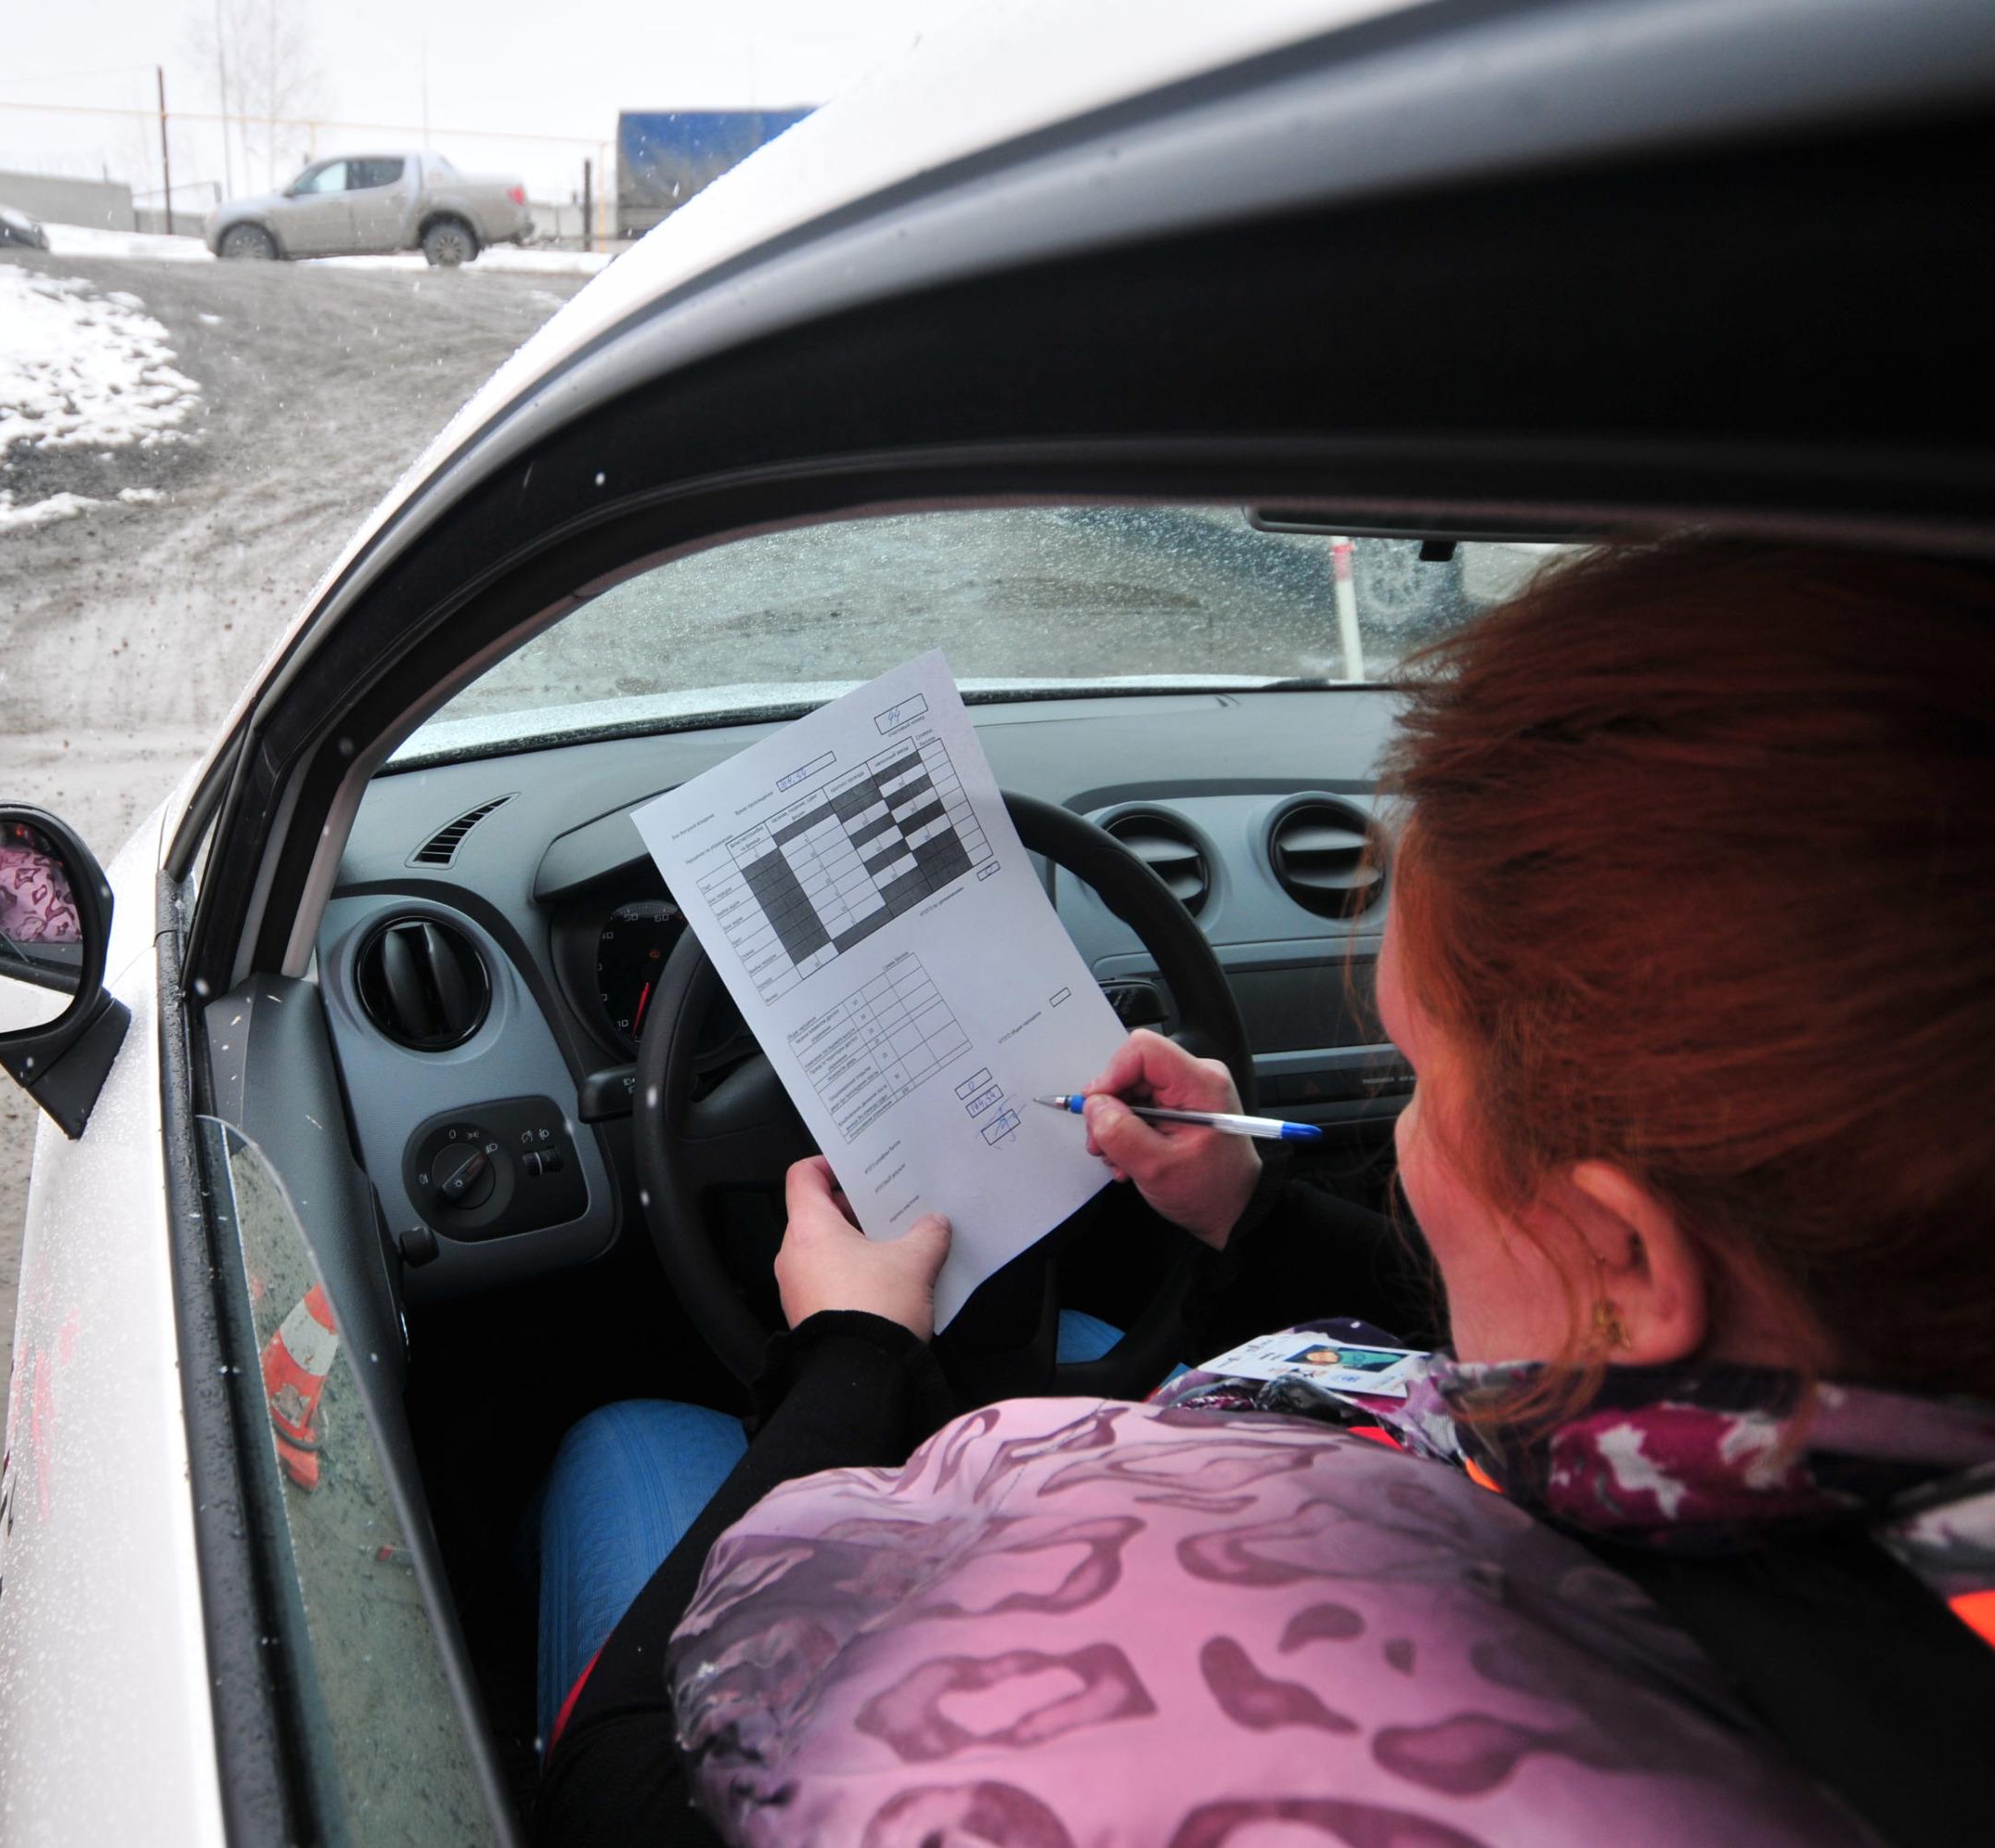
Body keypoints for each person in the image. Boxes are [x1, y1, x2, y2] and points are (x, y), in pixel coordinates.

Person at [536, 541, 1995, 1848]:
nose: (1400, 1138)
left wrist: (850, 1360)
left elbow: (619, 1788)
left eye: (1420, 1080)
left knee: (616, 1444)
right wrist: (1255, 1213)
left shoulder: (1306, 1715)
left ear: (1622, 1254)